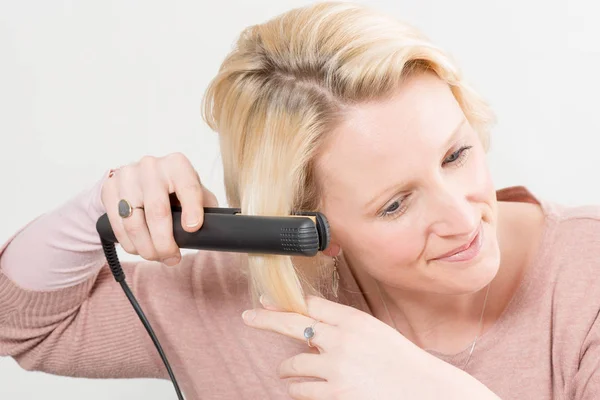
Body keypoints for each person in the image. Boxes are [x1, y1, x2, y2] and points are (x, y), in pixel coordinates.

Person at [1, 2, 599, 399]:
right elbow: (22, 325)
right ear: (309, 227)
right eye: (394, 204)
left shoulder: (586, 277)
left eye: (455, 155)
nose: (462, 216)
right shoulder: (254, 303)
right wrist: (101, 210)